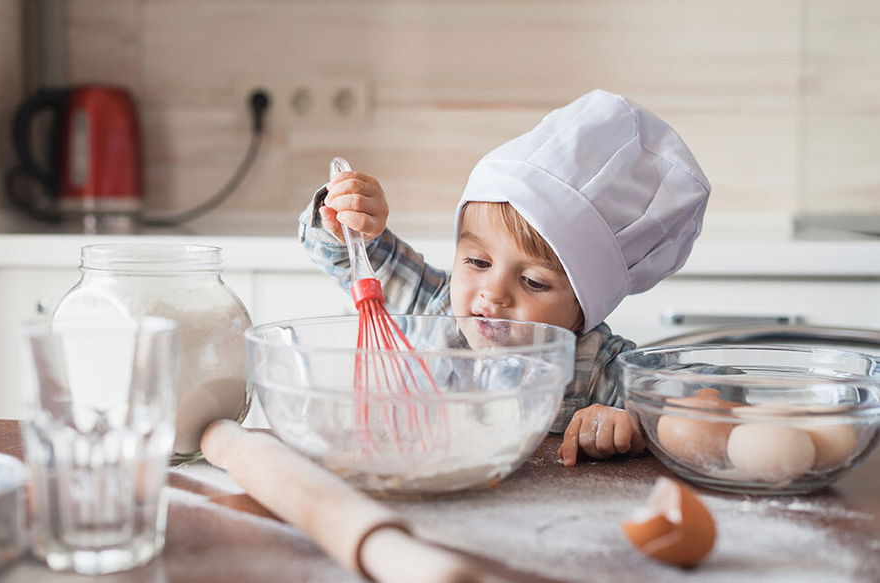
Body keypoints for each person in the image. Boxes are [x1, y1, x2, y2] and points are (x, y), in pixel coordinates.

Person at [298, 89, 711, 467]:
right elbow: (343, 254)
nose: (493, 293)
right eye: (478, 262)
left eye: (533, 282)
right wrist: (346, 219)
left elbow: (708, 397)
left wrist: (632, 423)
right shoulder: (431, 307)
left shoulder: (598, 367)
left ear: (586, 307)